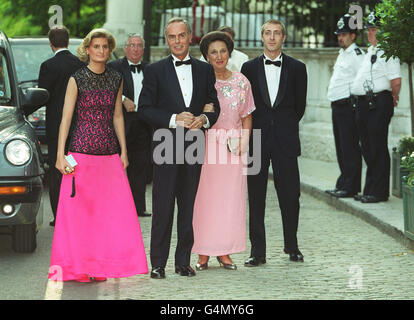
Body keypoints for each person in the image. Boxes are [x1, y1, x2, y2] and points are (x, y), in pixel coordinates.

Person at [48, 28, 148, 282]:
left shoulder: (116, 78)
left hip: (109, 156)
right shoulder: (77, 78)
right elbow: (66, 119)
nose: (101, 51)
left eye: (105, 46)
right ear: (88, 49)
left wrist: (124, 151)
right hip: (81, 155)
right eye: (97, 46)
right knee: (81, 216)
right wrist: (60, 155)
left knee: (109, 215)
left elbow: (117, 115)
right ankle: (80, 266)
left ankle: (99, 265)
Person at [138, 17, 220, 279]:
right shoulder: (153, 71)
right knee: (163, 206)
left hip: (195, 143)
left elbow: (213, 104)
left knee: (188, 206)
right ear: (167, 39)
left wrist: (205, 120)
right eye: (172, 37)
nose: (177, 41)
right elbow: (145, 109)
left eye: (182, 36)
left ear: (190, 37)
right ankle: (158, 263)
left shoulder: (205, 70)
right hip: (165, 143)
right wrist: (174, 120)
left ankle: (183, 261)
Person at [241, 19, 307, 264]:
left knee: (290, 196)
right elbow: (246, 106)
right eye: (267, 33)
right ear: (261, 36)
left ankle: (292, 246)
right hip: (256, 141)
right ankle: (257, 252)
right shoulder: (248, 68)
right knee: (256, 197)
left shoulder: (298, 68)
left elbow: (299, 107)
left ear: (284, 37)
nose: (271, 37)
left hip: (286, 141)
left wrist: (282, 126)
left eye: (276, 33)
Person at [192, 31, 255, 271]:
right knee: (204, 199)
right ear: (206, 56)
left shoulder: (242, 81)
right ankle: (203, 251)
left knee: (230, 200)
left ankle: (225, 252)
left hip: (233, 147)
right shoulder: (201, 81)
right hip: (206, 144)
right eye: (213, 52)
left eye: (223, 51)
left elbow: (247, 116)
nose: (219, 56)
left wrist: (244, 142)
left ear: (230, 53)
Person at [351, 11, 402, 204]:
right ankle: (370, 189)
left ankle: (379, 192)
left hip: (378, 102)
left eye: (373, 29)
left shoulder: (388, 51)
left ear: (382, 32)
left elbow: (395, 80)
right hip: (365, 103)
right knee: (367, 147)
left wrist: (394, 95)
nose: (370, 33)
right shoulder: (371, 51)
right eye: (369, 30)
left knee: (377, 146)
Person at [36, 26, 85, 227]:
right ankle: (78, 213)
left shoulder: (48, 66)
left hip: (57, 128)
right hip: (80, 128)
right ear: (67, 41)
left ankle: (59, 216)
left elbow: (42, 96)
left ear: (51, 43)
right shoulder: (81, 65)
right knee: (78, 170)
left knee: (58, 172)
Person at [108, 34, 152, 217]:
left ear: (143, 49)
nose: (135, 49)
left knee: (140, 167)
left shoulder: (151, 69)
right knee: (116, 165)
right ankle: (114, 206)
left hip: (144, 124)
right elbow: (108, 89)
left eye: (139, 46)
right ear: (125, 48)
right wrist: (124, 99)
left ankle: (138, 207)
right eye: (132, 45)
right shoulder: (114, 67)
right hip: (122, 123)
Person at [325, 14, 364, 198]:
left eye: (344, 34)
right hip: (337, 106)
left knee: (350, 147)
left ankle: (351, 186)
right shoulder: (343, 53)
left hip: (348, 106)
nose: (340, 38)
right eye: (339, 34)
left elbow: (362, 81)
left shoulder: (357, 55)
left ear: (353, 36)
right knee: (341, 147)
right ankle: (344, 182)